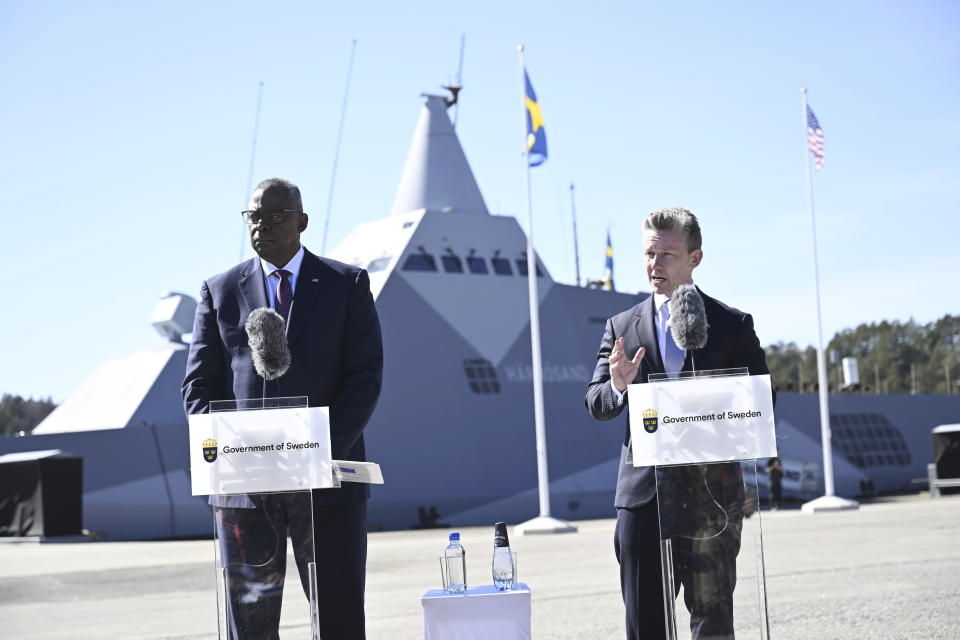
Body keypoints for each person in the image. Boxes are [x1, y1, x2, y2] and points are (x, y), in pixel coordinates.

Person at [182, 177, 383, 639]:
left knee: (338, 620)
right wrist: (227, 449)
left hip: (328, 485)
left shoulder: (346, 284)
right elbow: (198, 385)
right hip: (245, 494)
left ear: (302, 222)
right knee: (250, 624)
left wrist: (314, 450)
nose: (262, 225)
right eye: (254, 216)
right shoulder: (219, 291)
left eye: (275, 216)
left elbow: (365, 377)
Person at [585, 207, 773, 640]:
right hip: (643, 497)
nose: (655, 265)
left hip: (713, 499)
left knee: (712, 622)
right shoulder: (620, 328)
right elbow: (596, 402)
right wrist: (617, 385)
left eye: (667, 255)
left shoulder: (731, 324)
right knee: (645, 623)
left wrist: (707, 396)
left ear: (695, 258)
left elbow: (765, 401)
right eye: (650, 254)